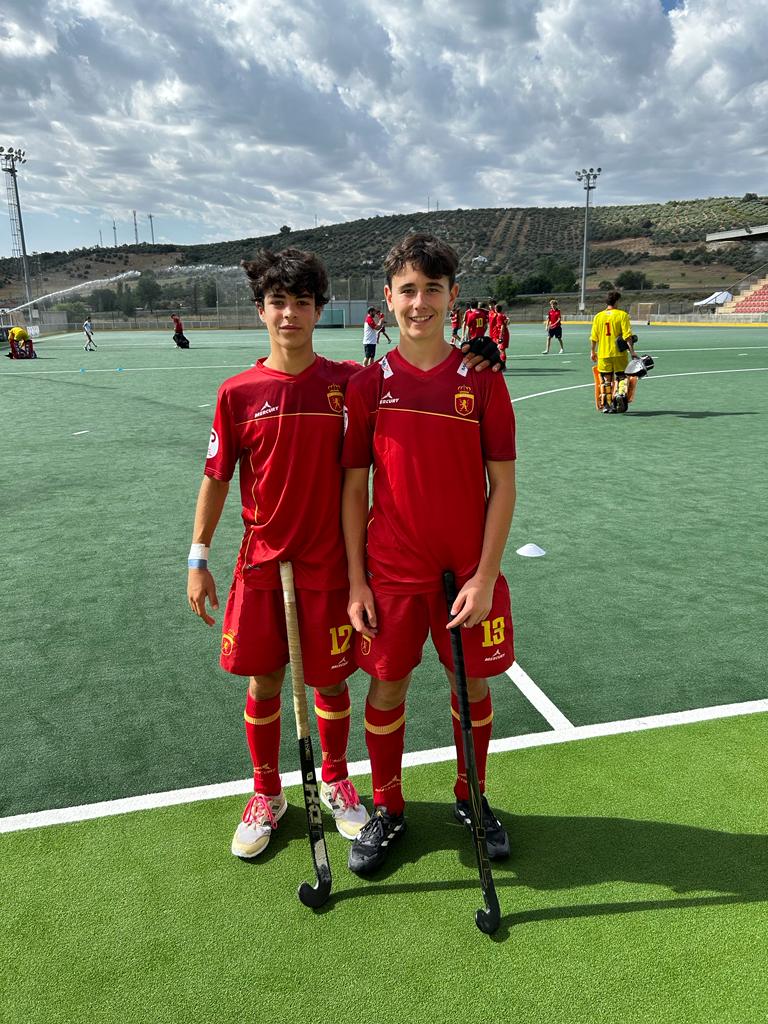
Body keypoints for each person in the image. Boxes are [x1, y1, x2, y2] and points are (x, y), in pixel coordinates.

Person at [341, 233, 516, 876]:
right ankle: (388, 806)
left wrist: (486, 574)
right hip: (391, 574)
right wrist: (357, 582)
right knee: (387, 686)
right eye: (408, 290)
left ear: (452, 296)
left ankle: (472, 796)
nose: (420, 303)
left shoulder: (483, 382)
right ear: (388, 299)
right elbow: (354, 488)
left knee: (470, 685)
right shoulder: (368, 385)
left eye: (432, 290)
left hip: (466, 575)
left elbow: (504, 485)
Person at [187, 248, 370, 860]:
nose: (289, 314)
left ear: (319, 310)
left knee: (331, 680)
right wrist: (197, 559)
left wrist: (478, 355)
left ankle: (337, 780)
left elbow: (413, 368)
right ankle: (267, 793)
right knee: (265, 681)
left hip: (328, 565)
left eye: (301, 302)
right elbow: (216, 477)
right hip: (264, 562)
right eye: (278, 302)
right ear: (261, 310)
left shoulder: (348, 383)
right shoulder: (237, 393)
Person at [589, 290, 638, 413]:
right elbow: (627, 336)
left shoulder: (598, 316)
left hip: (603, 353)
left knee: (606, 380)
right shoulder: (622, 315)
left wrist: (592, 351)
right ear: (616, 301)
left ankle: (607, 405)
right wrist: (632, 351)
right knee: (622, 376)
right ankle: (620, 394)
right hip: (619, 353)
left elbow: (594, 337)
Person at [492, 303, 509, 370]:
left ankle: (503, 366)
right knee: (501, 350)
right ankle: (502, 365)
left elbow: (502, 326)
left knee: (502, 350)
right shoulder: (503, 315)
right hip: (505, 334)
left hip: (503, 335)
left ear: (496, 309)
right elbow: (507, 322)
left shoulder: (499, 316)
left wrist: (500, 336)